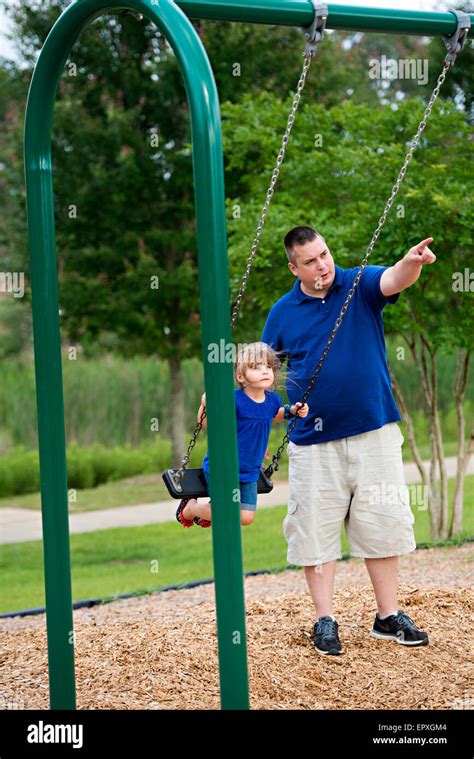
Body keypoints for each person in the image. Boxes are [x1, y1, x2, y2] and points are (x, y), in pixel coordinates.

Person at [261, 225, 434, 655]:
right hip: (312, 442)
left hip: (374, 429)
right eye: (310, 261)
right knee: (314, 532)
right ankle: (324, 621)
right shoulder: (283, 312)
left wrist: (411, 263)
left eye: (324, 254)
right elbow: (263, 368)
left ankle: (387, 616)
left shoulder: (359, 284)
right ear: (293, 267)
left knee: (383, 523)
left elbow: (394, 278)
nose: (322, 265)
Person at [176, 341, 308, 528]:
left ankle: (212, 512)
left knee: (246, 518)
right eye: (256, 367)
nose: (265, 371)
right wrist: (205, 405)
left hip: (250, 470)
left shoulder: (271, 401)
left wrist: (291, 411)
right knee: (226, 511)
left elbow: (272, 415)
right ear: (241, 376)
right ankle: (191, 509)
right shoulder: (233, 400)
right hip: (223, 467)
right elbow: (206, 423)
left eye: (268, 367)